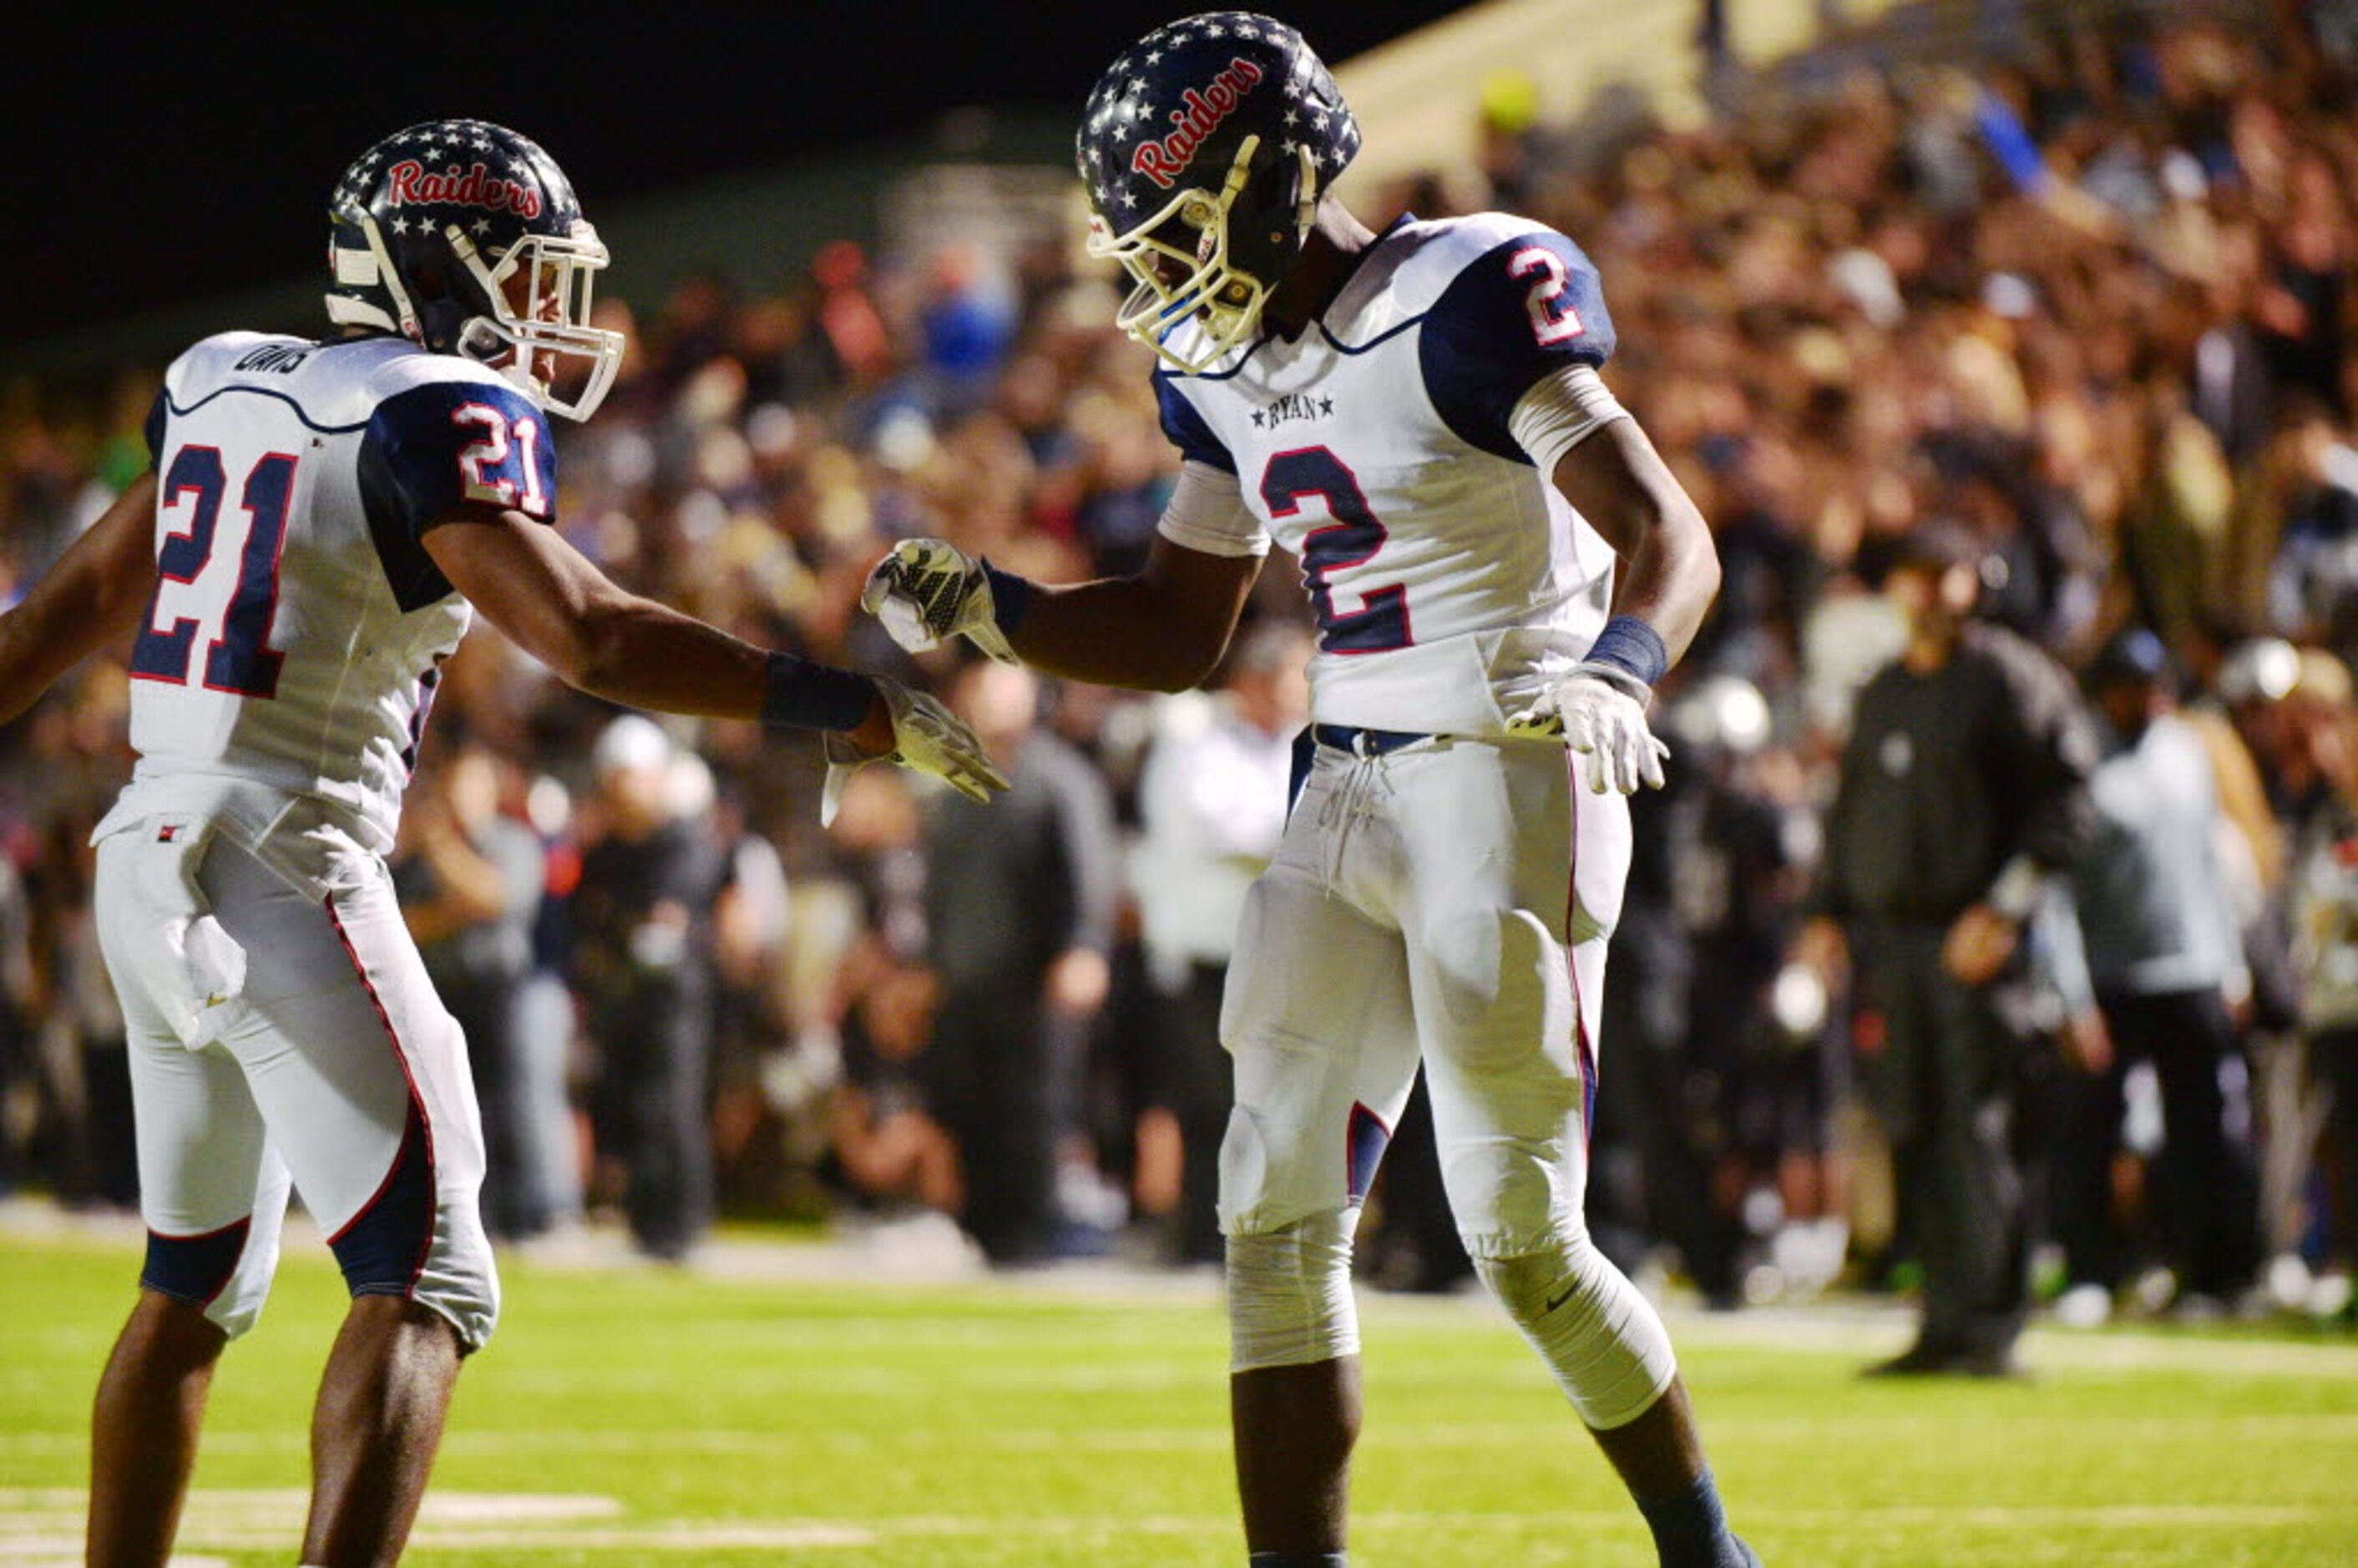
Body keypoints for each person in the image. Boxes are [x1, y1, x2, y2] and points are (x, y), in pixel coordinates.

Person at [0, 119, 1003, 1568]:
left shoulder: (226, 382)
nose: (552, 314)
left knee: (192, 1284)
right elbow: (587, 633)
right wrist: (838, 699)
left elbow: (55, 620)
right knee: (427, 1271)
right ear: (443, 266)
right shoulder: (426, 404)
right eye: (530, 276)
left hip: (147, 849)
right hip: (289, 855)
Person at [862, 17, 1755, 1566]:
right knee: (1268, 1222)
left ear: (1269, 179)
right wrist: (995, 605)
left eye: (1173, 223)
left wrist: (1617, 668)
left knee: (1522, 1241)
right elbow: (1172, 627)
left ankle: (1708, 1553)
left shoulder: (1466, 293)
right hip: (1341, 785)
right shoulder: (1214, 370)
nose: (1156, 271)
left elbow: (1669, 532)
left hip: (1506, 761)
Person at [1794, 523, 2097, 1377]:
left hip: (1974, 943)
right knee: (1911, 1125)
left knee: (1980, 1128)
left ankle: (1994, 1326)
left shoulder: (2007, 678)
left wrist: (2003, 912)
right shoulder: (1885, 690)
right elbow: (1849, 814)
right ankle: (1941, 1320)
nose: (1925, 594)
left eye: (1943, 575)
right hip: (1893, 945)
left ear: (1978, 581)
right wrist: (1826, 913)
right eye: (1912, 577)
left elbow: (2068, 805)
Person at [2058, 628, 2263, 1314]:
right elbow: (2061, 889)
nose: (2146, 700)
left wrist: (2231, 965)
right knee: (2093, 1133)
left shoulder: (2187, 750)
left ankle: (2216, 1274)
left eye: (2154, 686)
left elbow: (2208, 862)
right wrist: (2071, 995)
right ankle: (2095, 1269)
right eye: (2131, 688)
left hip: (2191, 968)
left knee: (2205, 1128)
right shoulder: (2080, 755)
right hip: (2111, 973)